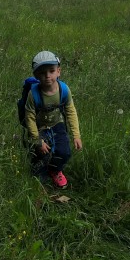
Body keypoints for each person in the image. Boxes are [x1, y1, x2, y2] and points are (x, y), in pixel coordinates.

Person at [23, 50, 82, 188]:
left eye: (51, 71)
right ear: (36, 75)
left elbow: (71, 111)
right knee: (41, 153)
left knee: (64, 152)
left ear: (58, 71)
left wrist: (76, 135)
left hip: (57, 123)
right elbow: (29, 117)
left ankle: (55, 170)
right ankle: (39, 178)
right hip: (40, 127)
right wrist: (38, 140)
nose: (47, 75)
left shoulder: (64, 90)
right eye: (42, 73)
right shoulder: (33, 94)